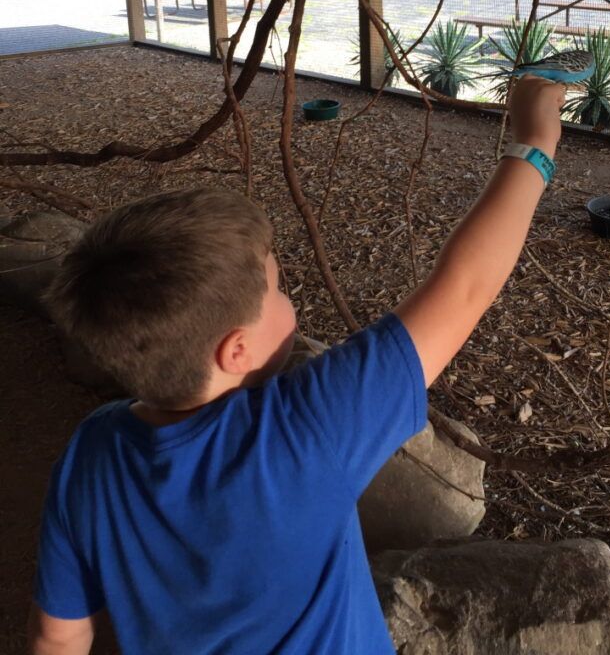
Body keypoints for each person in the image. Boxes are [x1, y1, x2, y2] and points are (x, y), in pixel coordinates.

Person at [29, 74, 565, 655]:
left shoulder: (92, 452)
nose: (292, 302)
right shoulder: (303, 428)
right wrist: (535, 139)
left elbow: (57, 636)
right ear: (235, 351)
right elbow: (465, 288)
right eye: (279, 292)